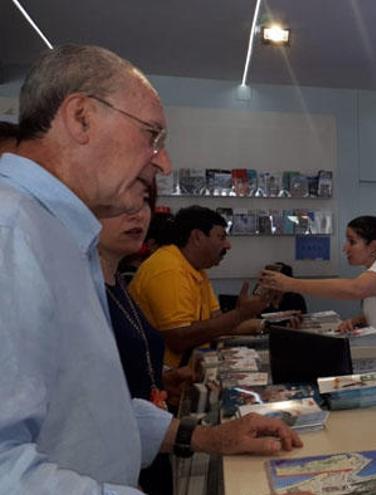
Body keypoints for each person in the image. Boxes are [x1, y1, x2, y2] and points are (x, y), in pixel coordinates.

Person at [0, 45, 300, 494]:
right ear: (80, 117)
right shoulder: (11, 232)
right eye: (152, 136)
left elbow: (95, 409)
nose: (162, 161)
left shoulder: (63, 238)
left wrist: (208, 436)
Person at [99, 181, 190, 493]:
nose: (137, 216)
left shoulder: (117, 280)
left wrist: (164, 376)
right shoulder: (79, 286)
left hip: (148, 446)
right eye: (121, 206)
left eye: (143, 205)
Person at [259, 216, 376, 375]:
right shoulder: (375, 269)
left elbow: (354, 289)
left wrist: (291, 284)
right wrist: (357, 321)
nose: (345, 248)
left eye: (352, 242)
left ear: (373, 246)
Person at [130, 205, 272, 366]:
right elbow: (179, 340)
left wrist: (268, 325)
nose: (228, 245)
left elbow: (216, 324)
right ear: (197, 236)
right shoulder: (168, 269)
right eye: (221, 237)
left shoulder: (196, 269)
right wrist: (240, 314)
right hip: (167, 382)